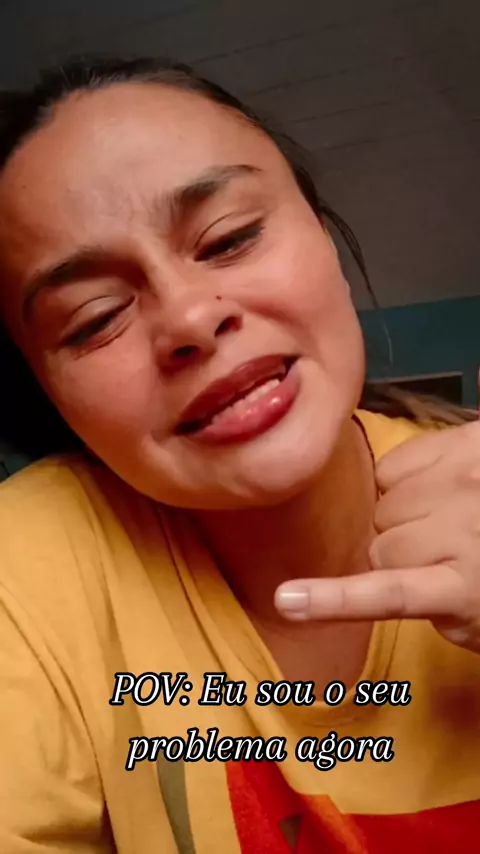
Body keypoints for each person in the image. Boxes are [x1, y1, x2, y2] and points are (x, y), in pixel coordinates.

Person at [1, 57, 480, 854]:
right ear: (49, 395)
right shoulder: (24, 568)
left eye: (229, 238)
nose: (190, 317)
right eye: (94, 317)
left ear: (324, 237)